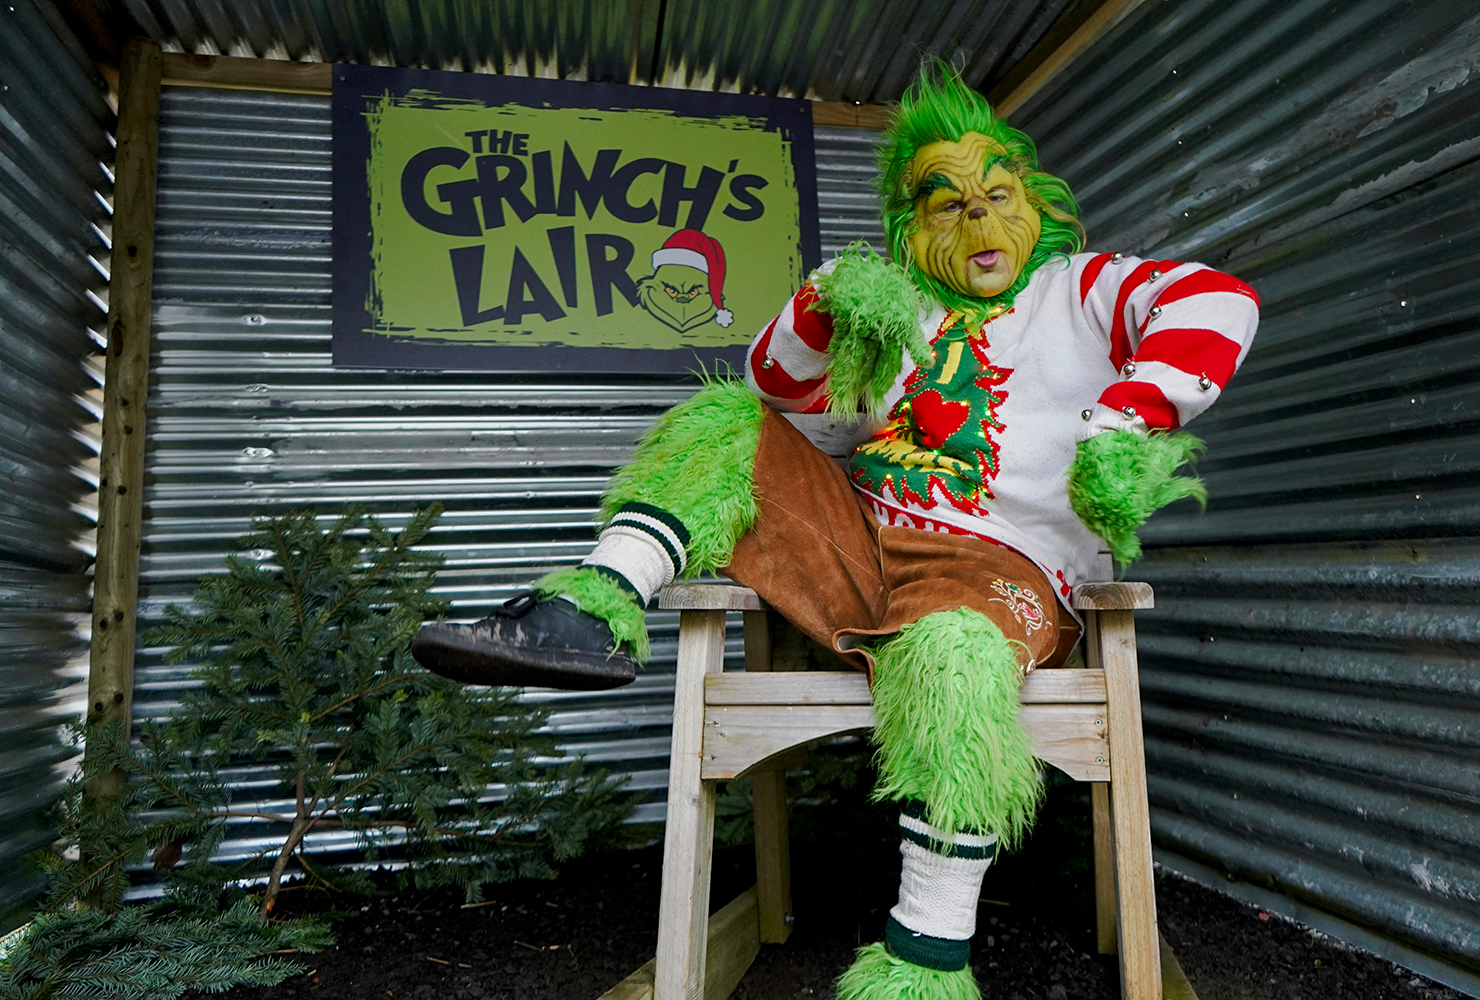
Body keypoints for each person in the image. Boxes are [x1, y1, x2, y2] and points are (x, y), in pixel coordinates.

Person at [411, 63, 1258, 1000]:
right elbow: (776, 388)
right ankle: (591, 608)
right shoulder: (899, 309)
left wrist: (1129, 418)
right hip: (857, 543)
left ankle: (927, 956)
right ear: (912, 222)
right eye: (948, 204)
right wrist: (828, 303)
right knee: (728, 421)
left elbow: (1216, 300)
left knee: (953, 656)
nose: (979, 221)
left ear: (1032, 199)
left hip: (996, 573)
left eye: (997, 196)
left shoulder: (1081, 286)